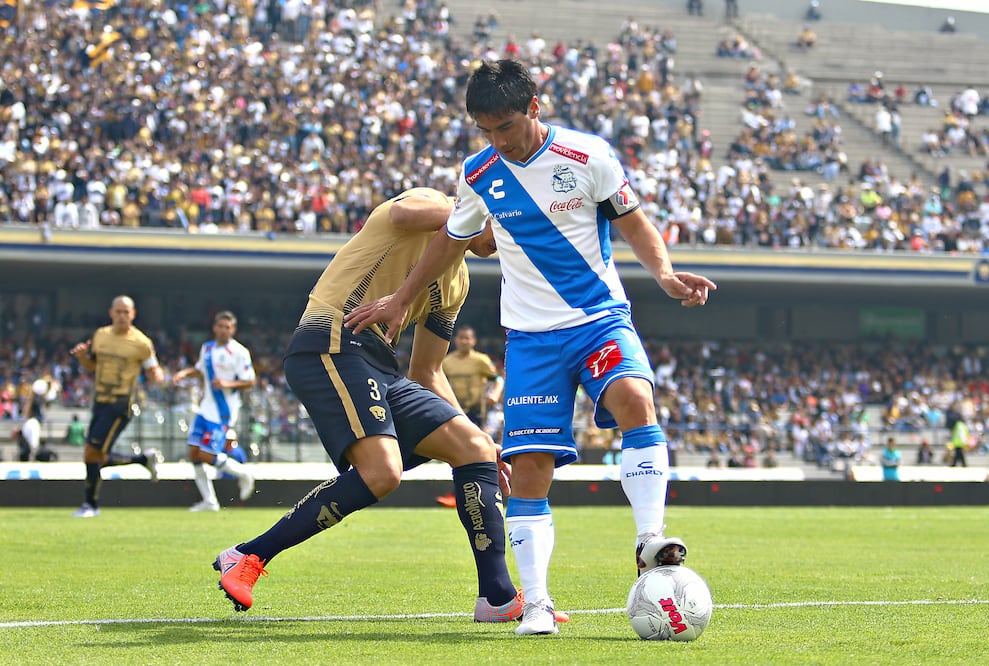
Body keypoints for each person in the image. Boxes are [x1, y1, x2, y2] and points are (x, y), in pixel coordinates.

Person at [345, 60, 717, 636]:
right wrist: (399, 299)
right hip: (532, 341)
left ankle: (649, 540)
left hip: (598, 319)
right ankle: (538, 604)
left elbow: (635, 225)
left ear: (534, 108)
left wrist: (665, 274)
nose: (499, 141)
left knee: (635, 403)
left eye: (507, 127)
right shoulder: (479, 173)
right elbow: (451, 242)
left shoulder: (586, 155)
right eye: (486, 131)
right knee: (530, 468)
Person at [213, 187, 531, 625]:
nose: (505, 240)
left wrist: (474, 432)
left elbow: (428, 371)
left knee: (475, 447)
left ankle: (497, 597)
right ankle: (248, 556)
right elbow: (399, 214)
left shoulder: (458, 281)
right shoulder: (431, 206)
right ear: (483, 210)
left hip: (381, 365)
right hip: (332, 339)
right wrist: (470, 211)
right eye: (505, 224)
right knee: (382, 474)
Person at [69, 295, 165, 518]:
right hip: (99, 400)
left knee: (91, 453)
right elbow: (92, 365)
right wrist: (82, 357)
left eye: (126, 312)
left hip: (121, 403)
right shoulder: (101, 335)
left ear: (133, 314)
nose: (122, 316)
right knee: (95, 456)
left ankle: (90, 505)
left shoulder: (141, 343)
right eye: (118, 311)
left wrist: (158, 376)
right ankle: (142, 459)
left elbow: (153, 368)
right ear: (111, 312)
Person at [172, 310, 257, 511]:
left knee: (205, 453)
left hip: (223, 411)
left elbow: (250, 381)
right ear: (214, 328)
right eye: (220, 326)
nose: (223, 330)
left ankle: (243, 473)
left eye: (227, 327)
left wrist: (227, 383)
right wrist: (184, 373)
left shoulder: (239, 352)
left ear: (233, 329)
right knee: (193, 452)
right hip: (205, 408)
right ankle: (210, 501)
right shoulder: (207, 348)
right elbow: (201, 370)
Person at [437, 324, 505, 507]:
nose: (464, 341)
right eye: (461, 338)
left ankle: (482, 493)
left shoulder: (481, 360)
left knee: (477, 452)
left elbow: (497, 378)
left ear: (473, 341)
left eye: (468, 338)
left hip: (476, 412)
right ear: (456, 340)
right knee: (457, 452)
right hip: (454, 412)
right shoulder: (447, 362)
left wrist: (495, 395)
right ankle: (463, 494)